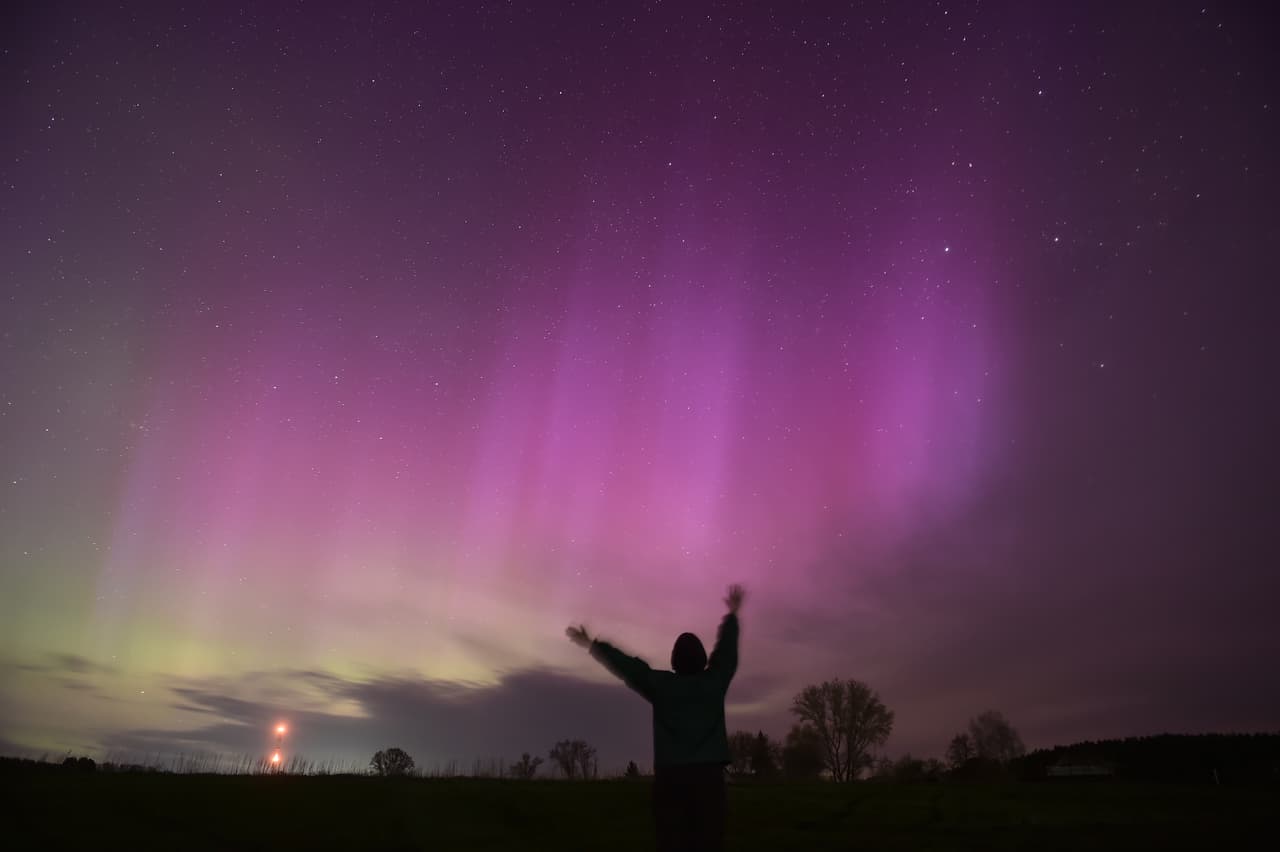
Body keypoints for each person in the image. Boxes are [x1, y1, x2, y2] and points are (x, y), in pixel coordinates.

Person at [566, 583, 744, 852]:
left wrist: (593, 645)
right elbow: (727, 654)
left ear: (674, 661)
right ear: (703, 659)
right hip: (709, 779)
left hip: (670, 778)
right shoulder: (714, 682)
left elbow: (630, 668)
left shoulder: (662, 686)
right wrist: (731, 615)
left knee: (671, 842)